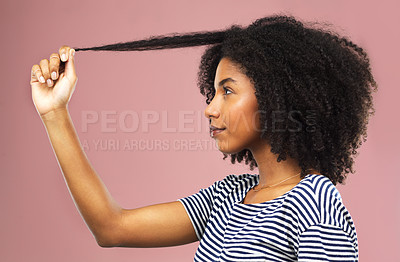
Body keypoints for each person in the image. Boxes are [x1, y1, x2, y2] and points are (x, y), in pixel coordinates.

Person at [30, 15, 377, 261]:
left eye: (227, 92)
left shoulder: (315, 203)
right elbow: (112, 228)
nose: (210, 109)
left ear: (277, 97)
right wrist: (54, 112)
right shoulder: (228, 197)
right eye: (211, 94)